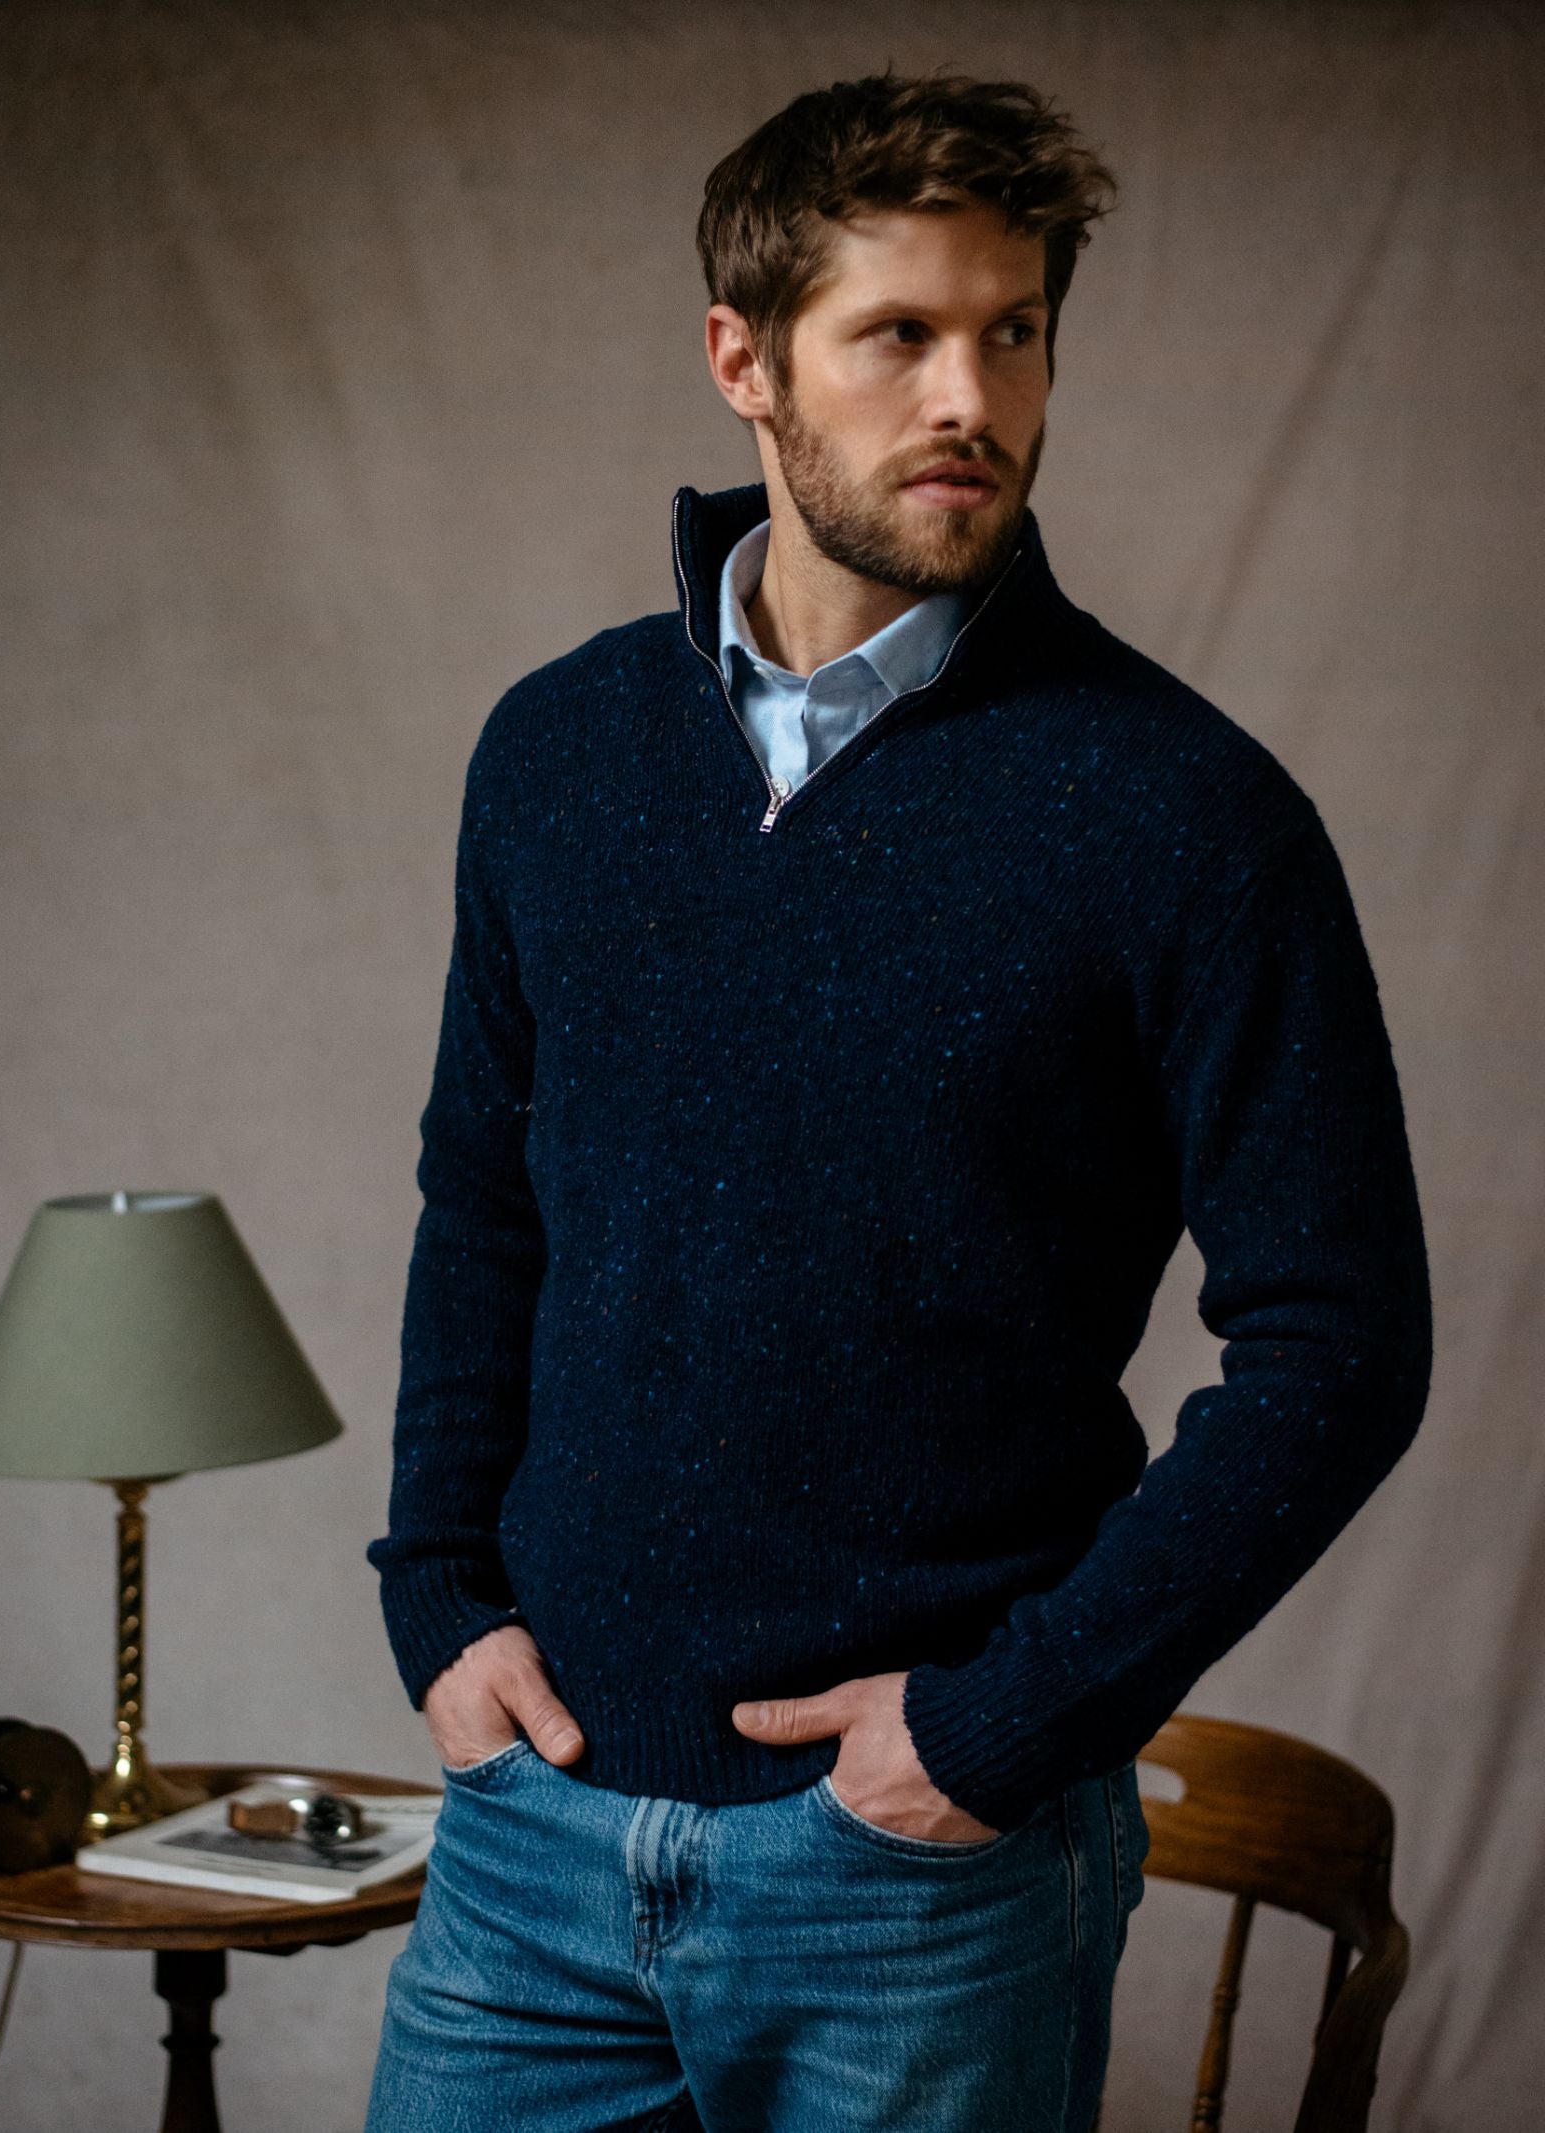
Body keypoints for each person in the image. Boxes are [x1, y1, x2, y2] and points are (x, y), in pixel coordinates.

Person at [363, 67, 1433, 2133]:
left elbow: (1343, 1340)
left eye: (1013, 332)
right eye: (901, 334)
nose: (972, 397)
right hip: (532, 1841)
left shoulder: (1187, 815)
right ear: (741, 361)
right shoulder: (557, 752)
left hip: (914, 1879)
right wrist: (436, 1597)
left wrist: (1000, 1723)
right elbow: (483, 1199)